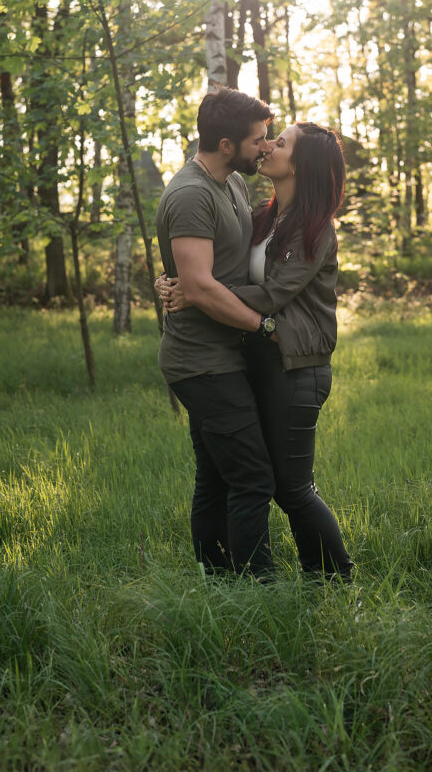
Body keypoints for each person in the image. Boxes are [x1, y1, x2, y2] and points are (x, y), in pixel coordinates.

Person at [158, 120, 353, 582]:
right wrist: (179, 281)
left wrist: (198, 292)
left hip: (297, 366)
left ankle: (335, 580)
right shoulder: (262, 214)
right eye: (269, 139)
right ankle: (233, 581)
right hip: (257, 361)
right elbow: (221, 267)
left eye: (279, 143)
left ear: (300, 165)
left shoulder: (315, 228)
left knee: (292, 490)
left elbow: (271, 294)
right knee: (246, 479)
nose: (268, 146)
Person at [155, 87, 278, 578]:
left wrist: (186, 284)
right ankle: (260, 587)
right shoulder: (190, 194)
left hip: (225, 354)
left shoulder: (231, 184)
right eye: (257, 140)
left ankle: (218, 578)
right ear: (227, 144)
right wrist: (264, 326)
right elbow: (201, 287)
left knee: (215, 476)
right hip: (201, 362)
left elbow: (206, 276)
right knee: (252, 477)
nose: (264, 148)